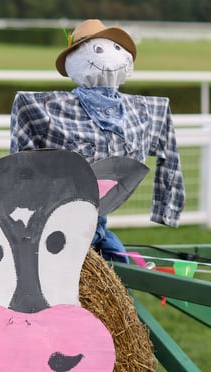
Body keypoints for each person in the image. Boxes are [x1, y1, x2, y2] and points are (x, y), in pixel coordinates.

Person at [10, 19, 185, 262]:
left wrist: (168, 208)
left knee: (116, 266)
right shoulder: (45, 108)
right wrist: (23, 206)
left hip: (98, 215)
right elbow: (20, 157)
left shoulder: (146, 110)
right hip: (58, 217)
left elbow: (169, 150)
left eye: (116, 48)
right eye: (99, 49)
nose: (109, 57)